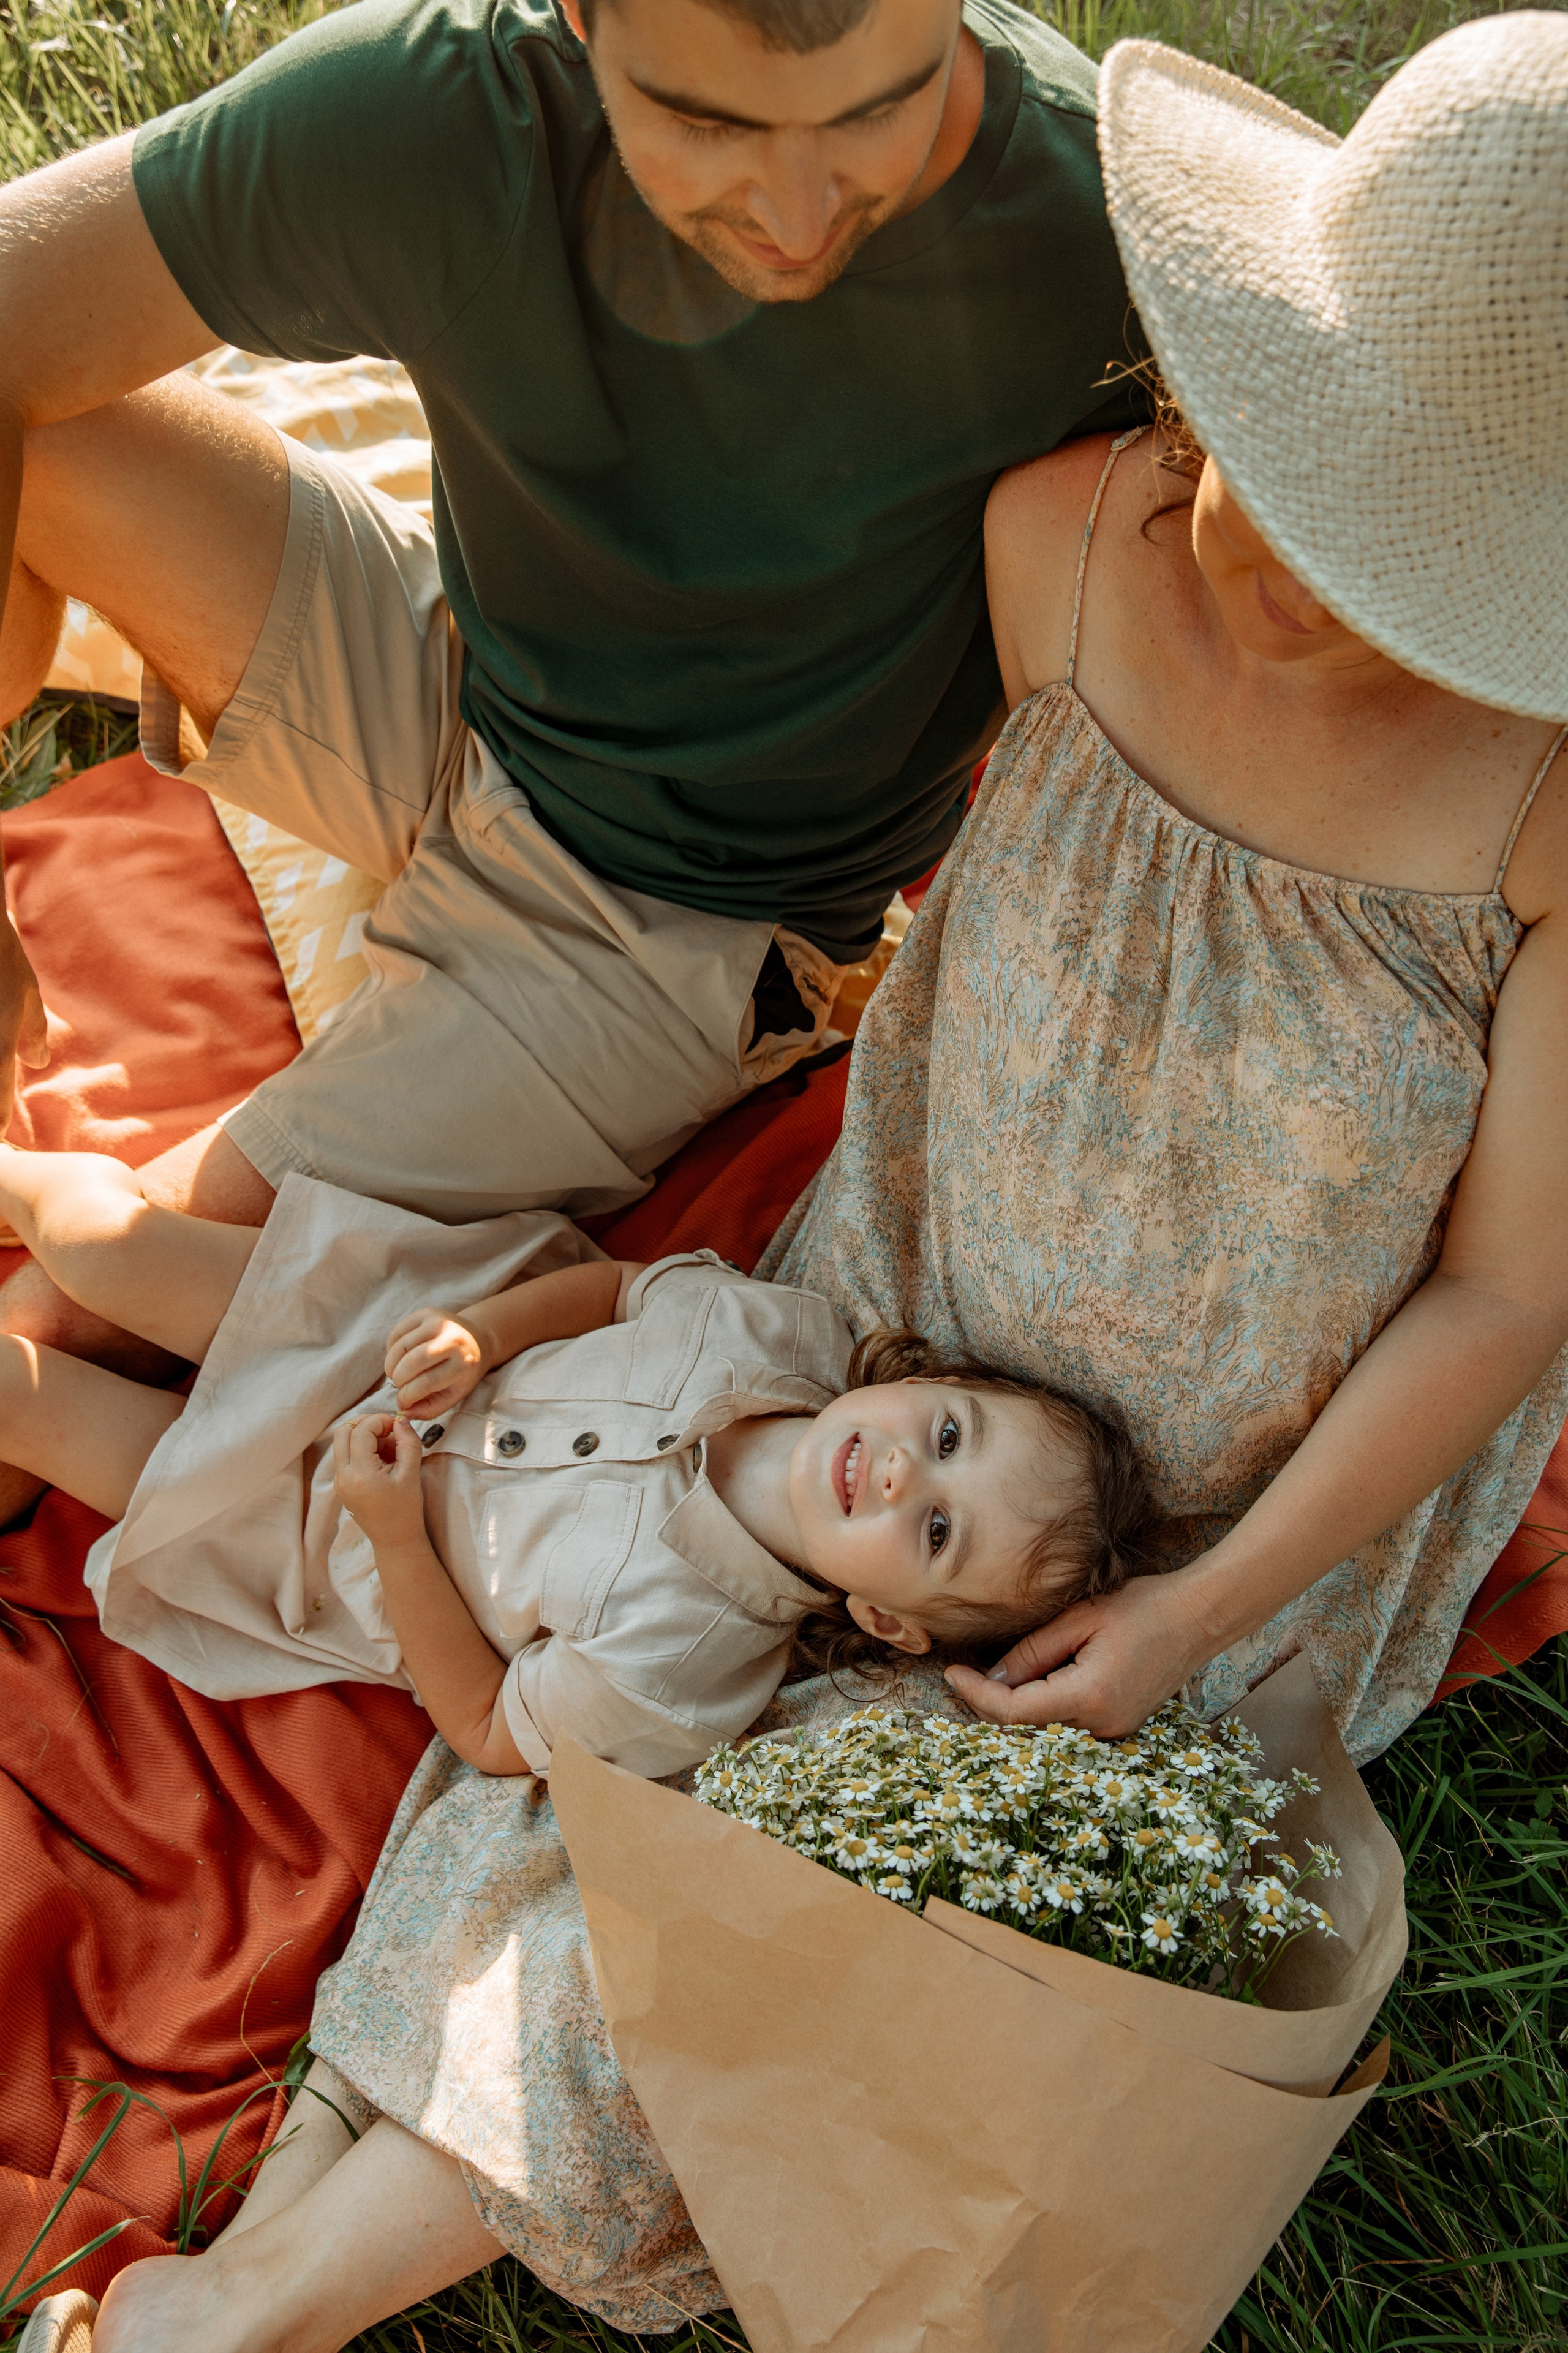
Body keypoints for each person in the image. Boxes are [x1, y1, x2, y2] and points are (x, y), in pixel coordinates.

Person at [0, 0, 1144, 1522]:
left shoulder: (1094, 230)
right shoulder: (442, 113)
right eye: (709, 125)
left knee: (83, 1316)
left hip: (672, 928)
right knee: (49, 423)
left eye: (876, 111)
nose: (799, 214)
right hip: (461, 678)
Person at [766, 10, 1568, 1765]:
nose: (1311, 580)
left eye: (1412, 548)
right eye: (1305, 468)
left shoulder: (1545, 806)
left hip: (1254, 1531)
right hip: (894, 1388)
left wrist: (1191, 1608)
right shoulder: (1048, 550)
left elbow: (1511, 1293)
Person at [0, 1142, 1154, 1777]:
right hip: (378, 1338)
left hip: (316, 1532)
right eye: (947, 1435)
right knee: (98, 1240)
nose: (906, 1474)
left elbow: (491, 1727)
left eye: (938, 1529)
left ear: (890, 1622)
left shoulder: (685, 1671)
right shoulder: (783, 1332)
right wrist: (478, 1336)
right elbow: (613, 1291)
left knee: (23, 1400)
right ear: (927, 1379)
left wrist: (395, 1535)